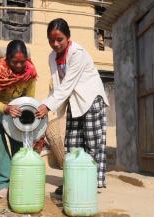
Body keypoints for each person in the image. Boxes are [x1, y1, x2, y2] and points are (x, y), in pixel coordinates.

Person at [35, 18, 109, 195]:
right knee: (72, 144)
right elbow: (57, 83)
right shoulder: (52, 57)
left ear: (68, 37)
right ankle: (73, 182)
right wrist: (48, 104)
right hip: (73, 102)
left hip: (90, 99)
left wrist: (48, 105)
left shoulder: (78, 54)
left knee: (93, 143)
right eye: (51, 40)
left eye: (59, 39)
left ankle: (92, 183)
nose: (56, 44)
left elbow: (67, 85)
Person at [0, 40, 37, 198]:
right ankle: (3, 184)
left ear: (26, 58)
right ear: (7, 59)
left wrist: (27, 116)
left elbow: (29, 98)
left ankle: (18, 182)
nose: (19, 65)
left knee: (19, 146)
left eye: (22, 61)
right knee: (0, 149)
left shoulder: (30, 73)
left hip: (15, 111)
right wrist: (6, 108)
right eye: (14, 62)